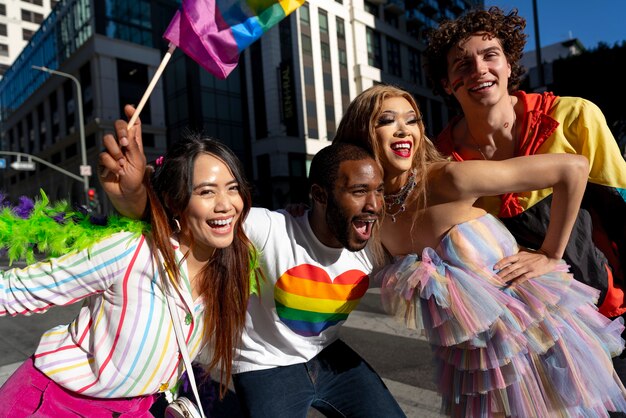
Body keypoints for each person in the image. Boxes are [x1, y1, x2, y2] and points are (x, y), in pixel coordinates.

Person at [334, 84, 626, 417]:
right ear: (362, 133)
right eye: (387, 120)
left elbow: (572, 169)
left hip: (538, 340)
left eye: (412, 120)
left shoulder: (450, 178)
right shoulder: (377, 213)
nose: (404, 130)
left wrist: (551, 253)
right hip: (476, 364)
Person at [98, 106, 406, 417]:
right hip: (264, 364)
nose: (374, 205)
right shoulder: (269, 228)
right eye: (359, 191)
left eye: (379, 191)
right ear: (320, 195)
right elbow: (190, 221)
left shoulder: (377, 242)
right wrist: (135, 194)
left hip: (329, 355)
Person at [424, 6, 626, 385]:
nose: (478, 69)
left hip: (609, 311)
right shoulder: (442, 159)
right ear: (446, 83)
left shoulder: (574, 117)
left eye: (490, 55)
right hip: (528, 333)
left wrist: (551, 254)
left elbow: (621, 213)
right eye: (461, 64)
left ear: (509, 63)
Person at [0, 134, 258, 416]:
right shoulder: (130, 251)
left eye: (232, 188)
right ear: (175, 201)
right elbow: (16, 291)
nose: (225, 204)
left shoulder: (228, 265)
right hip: (51, 404)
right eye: (206, 192)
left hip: (136, 410)